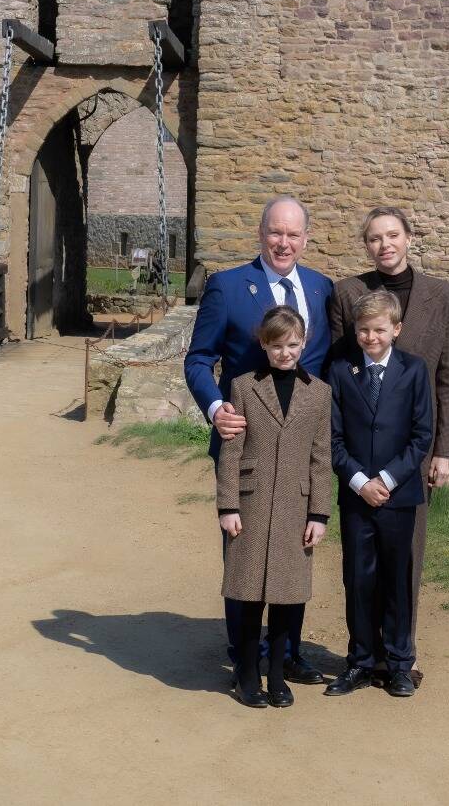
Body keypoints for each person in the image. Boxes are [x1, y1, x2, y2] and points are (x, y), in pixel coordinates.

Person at [183, 195, 334, 685]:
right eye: (275, 232)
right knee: (244, 552)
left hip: (298, 453)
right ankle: (244, 652)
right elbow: (198, 359)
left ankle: (286, 654)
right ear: (261, 234)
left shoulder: (321, 288)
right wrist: (215, 408)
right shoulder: (227, 287)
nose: (283, 242)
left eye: (293, 234)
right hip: (244, 445)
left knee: (294, 553)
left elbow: (327, 369)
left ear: (306, 239)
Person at [327, 206, 449, 670]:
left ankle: (399, 656)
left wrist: (443, 450)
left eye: (392, 235)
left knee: (406, 558)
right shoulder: (348, 293)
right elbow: (336, 371)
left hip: (412, 453)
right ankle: (365, 655)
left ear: (408, 238)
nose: (384, 245)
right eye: (374, 238)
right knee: (362, 563)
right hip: (362, 453)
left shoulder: (440, 296)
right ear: (365, 245)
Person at [215, 306, 332, 708]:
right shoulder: (244, 387)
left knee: (286, 596)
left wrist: (319, 513)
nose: (285, 353)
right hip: (251, 503)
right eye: (277, 345)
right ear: (264, 344)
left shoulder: (320, 392)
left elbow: (321, 457)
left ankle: (278, 675)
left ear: (304, 343)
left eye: (293, 345)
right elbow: (231, 453)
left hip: (297, 510)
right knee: (249, 596)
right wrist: (228, 505)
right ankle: (246, 674)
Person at [324, 290, 434, 698]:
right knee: (358, 579)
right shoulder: (340, 370)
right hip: (356, 496)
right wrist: (359, 482)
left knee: (396, 581)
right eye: (364, 330)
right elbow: (332, 438)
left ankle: (400, 663)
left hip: (398, 495)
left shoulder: (414, 370)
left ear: (396, 330)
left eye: (379, 330)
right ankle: (361, 661)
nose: (371, 337)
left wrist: (386, 480)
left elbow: (422, 435)